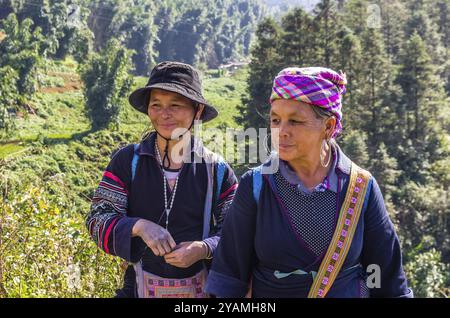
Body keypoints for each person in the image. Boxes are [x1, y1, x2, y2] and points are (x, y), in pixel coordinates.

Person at [205, 67, 413, 298]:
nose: (281, 131)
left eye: (295, 121)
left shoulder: (360, 187)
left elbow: (386, 275)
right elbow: (230, 274)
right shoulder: (256, 185)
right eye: (275, 120)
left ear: (328, 127)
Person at [86, 61, 238, 298]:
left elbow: (237, 232)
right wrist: (139, 226)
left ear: (197, 111)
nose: (164, 114)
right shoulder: (128, 161)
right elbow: (98, 220)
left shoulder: (215, 170)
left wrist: (204, 249)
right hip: (136, 288)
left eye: (175, 105)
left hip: (199, 290)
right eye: (156, 105)